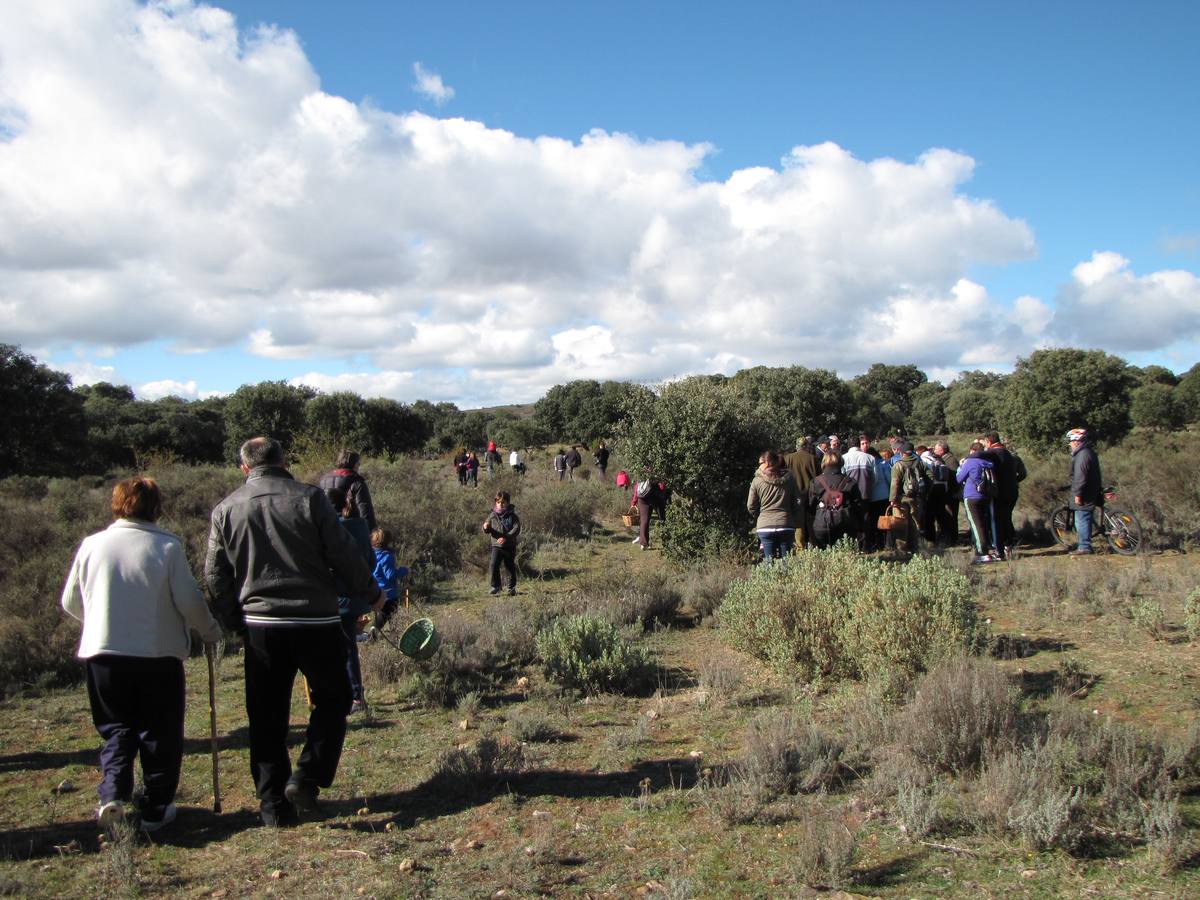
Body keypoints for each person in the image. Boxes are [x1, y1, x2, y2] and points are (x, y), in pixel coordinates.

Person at [206, 437, 384, 827]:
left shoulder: (226, 509)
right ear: (284, 461)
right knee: (334, 701)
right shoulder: (310, 498)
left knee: (266, 716)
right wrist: (372, 594)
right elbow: (343, 553)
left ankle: (273, 807)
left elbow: (214, 576)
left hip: (260, 627)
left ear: (244, 468)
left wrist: (235, 622)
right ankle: (307, 777)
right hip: (315, 622)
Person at [61, 477, 223, 834]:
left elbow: (71, 601)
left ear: (117, 504)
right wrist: (210, 631)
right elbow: (189, 601)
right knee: (159, 732)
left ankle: (112, 795)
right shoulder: (166, 547)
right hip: (157, 655)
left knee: (116, 728)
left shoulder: (92, 545)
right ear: (155, 506)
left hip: (103, 654)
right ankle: (155, 808)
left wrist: (104, 620)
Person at [747, 450, 804, 561]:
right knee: (786, 561)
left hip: (765, 525)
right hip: (786, 523)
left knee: (769, 560)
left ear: (767, 462)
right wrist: (794, 517)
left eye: (760, 463)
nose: (759, 466)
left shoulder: (757, 481)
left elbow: (750, 505)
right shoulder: (789, 479)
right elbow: (798, 501)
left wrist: (760, 516)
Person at [979, 432, 1024, 558]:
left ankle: (999, 550)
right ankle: (1008, 546)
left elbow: (978, 455)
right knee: (1006, 518)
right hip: (1012, 490)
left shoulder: (994, 453)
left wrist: (974, 454)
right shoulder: (1009, 454)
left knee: (996, 521)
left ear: (989, 442)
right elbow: (1022, 473)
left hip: (1000, 492)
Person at [957, 442, 1002, 563]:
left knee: (977, 525)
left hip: (972, 495)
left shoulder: (970, 462)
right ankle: (991, 547)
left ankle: (982, 552)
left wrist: (961, 466)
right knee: (985, 523)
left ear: (972, 451)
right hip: (987, 496)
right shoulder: (989, 463)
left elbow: (959, 478)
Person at [808, 453, 862, 549]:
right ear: (841, 463)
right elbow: (858, 505)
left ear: (824, 463)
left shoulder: (816, 481)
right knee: (846, 555)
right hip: (846, 522)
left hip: (822, 523)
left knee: (824, 556)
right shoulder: (850, 481)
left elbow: (811, 505)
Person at [319, 450, 377, 531]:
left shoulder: (323, 480)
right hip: (350, 530)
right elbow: (365, 511)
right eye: (358, 462)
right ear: (353, 464)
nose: (359, 464)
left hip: (326, 529)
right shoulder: (356, 481)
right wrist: (371, 533)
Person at [888, 442, 931, 554]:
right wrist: (925, 492)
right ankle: (915, 547)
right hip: (917, 498)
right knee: (916, 523)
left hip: (901, 499)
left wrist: (892, 499)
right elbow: (931, 477)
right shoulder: (920, 463)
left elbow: (895, 484)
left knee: (901, 523)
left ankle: (902, 549)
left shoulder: (898, 465)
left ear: (901, 453)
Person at [1067, 428, 1103, 556]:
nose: (1070, 444)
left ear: (1076, 442)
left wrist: (1077, 494)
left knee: (1081, 518)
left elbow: (1080, 477)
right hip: (1093, 488)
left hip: (1086, 491)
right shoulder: (1089, 452)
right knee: (1085, 517)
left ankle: (1084, 546)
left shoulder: (1082, 455)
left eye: (1070, 441)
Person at [784, 436, 820, 548]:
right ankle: (815, 544)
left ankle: (800, 547)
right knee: (811, 521)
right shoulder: (813, 459)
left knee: (799, 523)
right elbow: (818, 478)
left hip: (794, 495)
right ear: (807, 446)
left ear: (796, 446)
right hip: (810, 495)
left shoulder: (788, 458)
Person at [482, 491, 521, 594]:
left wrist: (506, 538)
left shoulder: (512, 516)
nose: (500, 504)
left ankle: (511, 588)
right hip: (496, 545)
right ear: (496, 502)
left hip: (509, 545)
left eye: (503, 502)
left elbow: (516, 529)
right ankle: (496, 586)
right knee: (494, 565)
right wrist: (485, 527)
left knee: (509, 567)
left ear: (508, 503)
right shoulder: (492, 515)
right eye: (498, 502)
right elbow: (487, 528)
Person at [370, 528, 407, 633]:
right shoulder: (387, 557)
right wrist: (403, 571)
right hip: (389, 593)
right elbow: (390, 575)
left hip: (376, 591)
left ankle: (374, 629)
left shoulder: (371, 555)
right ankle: (394, 634)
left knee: (383, 613)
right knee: (392, 614)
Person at [841, 435, 876, 546]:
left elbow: (842, 477)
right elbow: (875, 478)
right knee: (865, 519)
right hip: (865, 493)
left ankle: (854, 544)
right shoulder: (870, 458)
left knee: (851, 519)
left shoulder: (843, 458)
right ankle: (865, 545)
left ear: (849, 445)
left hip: (849, 495)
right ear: (858, 444)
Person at [934, 441, 961, 547]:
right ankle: (950, 538)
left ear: (942, 450)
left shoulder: (950, 460)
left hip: (951, 494)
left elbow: (954, 479)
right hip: (949, 494)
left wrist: (952, 492)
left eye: (936, 449)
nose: (935, 451)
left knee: (951, 517)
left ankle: (952, 539)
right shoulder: (945, 459)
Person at [633, 475, 668, 550]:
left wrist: (634, 501)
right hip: (656, 496)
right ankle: (666, 542)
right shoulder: (657, 469)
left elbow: (637, 486)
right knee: (662, 519)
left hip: (642, 497)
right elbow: (662, 487)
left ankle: (644, 544)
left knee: (644, 520)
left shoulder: (641, 469)